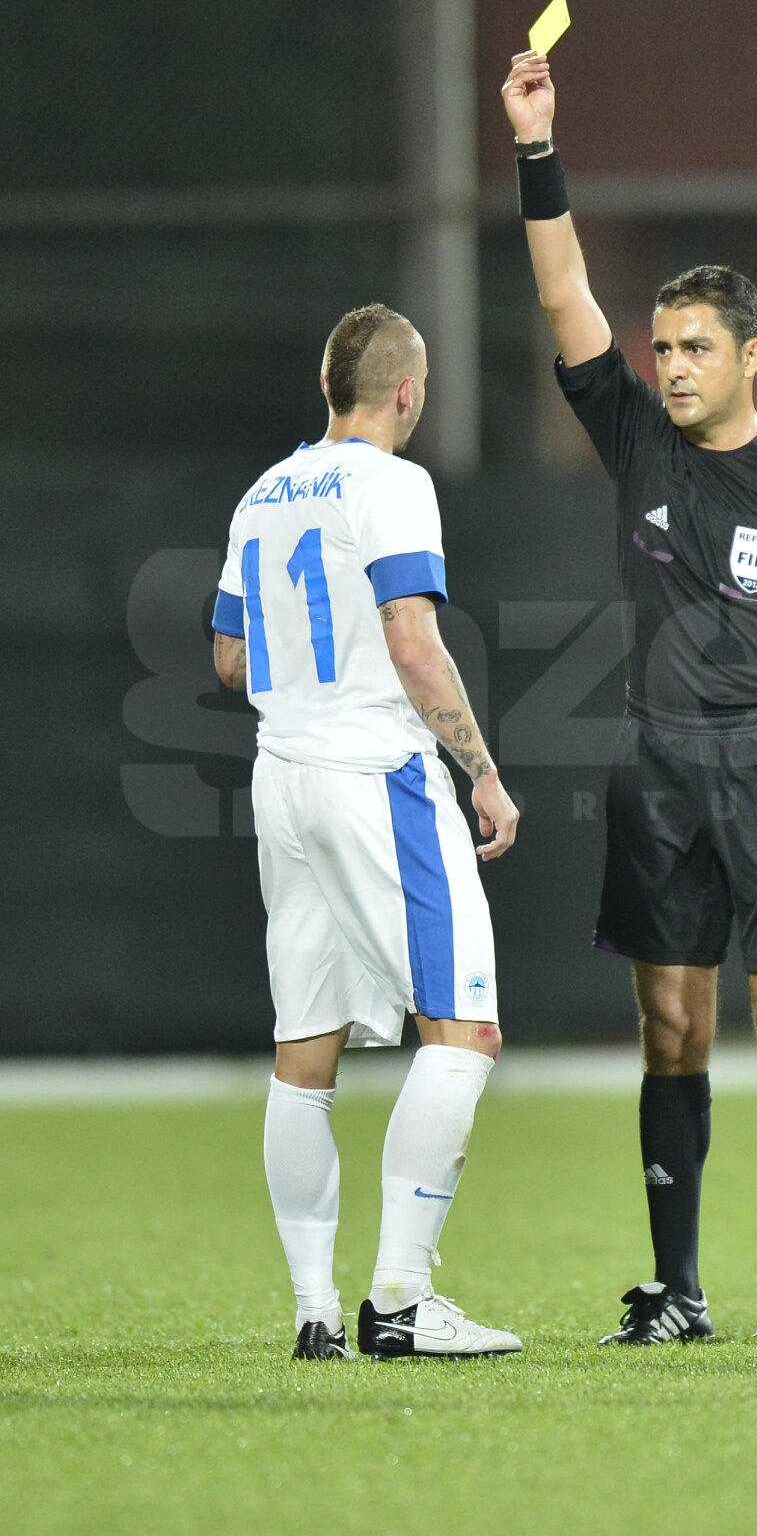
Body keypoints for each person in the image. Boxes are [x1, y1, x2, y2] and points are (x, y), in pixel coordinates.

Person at [502, 53, 757, 1346]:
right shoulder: (636, 441)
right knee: (671, 1022)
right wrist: (537, 148)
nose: (669, 365)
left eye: (693, 348)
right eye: (660, 345)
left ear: (752, 358)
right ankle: (677, 1289)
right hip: (659, 769)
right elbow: (563, 283)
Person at [211, 303, 522, 1360]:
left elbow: (227, 658)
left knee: (304, 1053)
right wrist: (481, 770)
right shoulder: (394, 482)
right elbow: (413, 639)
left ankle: (313, 1310)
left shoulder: (262, 491)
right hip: (371, 773)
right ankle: (399, 1298)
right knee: (465, 1029)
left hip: (281, 776)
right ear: (407, 391)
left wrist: (307, 678)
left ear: (326, 386)